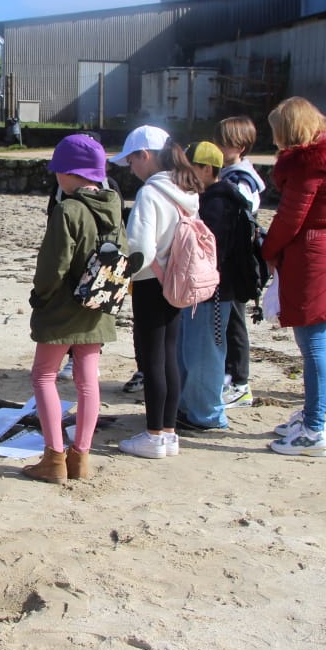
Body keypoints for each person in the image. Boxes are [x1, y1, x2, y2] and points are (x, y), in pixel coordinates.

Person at [261, 97, 326, 457]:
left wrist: (268, 251)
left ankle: (314, 427)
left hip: (311, 256)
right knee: (319, 343)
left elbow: (290, 218)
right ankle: (311, 415)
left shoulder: (308, 167)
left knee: (314, 345)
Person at [22, 134, 125, 482]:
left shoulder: (68, 209)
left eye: (59, 172)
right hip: (98, 305)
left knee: (44, 375)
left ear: (71, 173)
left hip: (63, 307)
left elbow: (53, 266)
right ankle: (80, 457)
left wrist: (41, 296)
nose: (56, 178)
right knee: (87, 380)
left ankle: (53, 458)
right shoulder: (115, 208)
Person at [111, 125, 203, 460]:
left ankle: (153, 434)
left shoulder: (151, 192)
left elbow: (139, 247)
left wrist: (123, 273)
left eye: (132, 160)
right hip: (179, 280)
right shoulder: (186, 189)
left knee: (153, 359)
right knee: (169, 355)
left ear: (144, 155)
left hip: (152, 281)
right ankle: (168, 433)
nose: (130, 168)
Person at [176, 141, 245, 431]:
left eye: (189, 168)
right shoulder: (210, 198)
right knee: (191, 352)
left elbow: (210, 251)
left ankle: (207, 415)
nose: (183, 176)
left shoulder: (218, 202)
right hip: (203, 291)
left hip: (213, 293)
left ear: (207, 169)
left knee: (204, 355)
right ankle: (190, 408)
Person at [213, 116, 265, 409]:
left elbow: (242, 215)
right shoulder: (230, 173)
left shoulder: (241, 179)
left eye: (225, 142)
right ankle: (227, 375)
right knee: (225, 319)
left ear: (241, 146)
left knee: (234, 320)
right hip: (228, 257)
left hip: (236, 260)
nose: (219, 147)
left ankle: (240, 381)